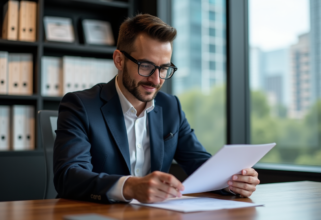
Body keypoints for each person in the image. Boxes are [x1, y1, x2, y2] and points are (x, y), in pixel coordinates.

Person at [53, 14, 260, 204]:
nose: (156, 79)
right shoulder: (80, 105)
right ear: (119, 60)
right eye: (145, 65)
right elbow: (69, 177)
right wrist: (130, 186)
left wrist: (232, 181)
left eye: (164, 68)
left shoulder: (171, 107)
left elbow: (201, 165)